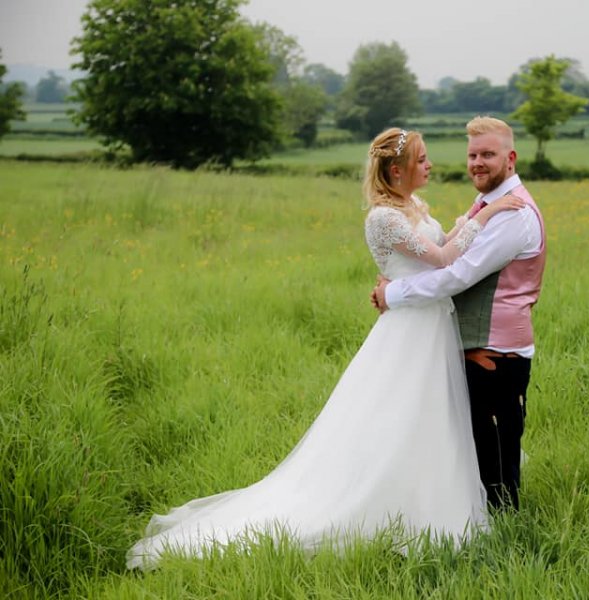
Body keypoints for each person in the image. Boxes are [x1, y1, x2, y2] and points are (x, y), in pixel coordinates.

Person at [126, 128, 523, 570]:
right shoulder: (383, 219)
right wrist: (489, 213)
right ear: (397, 171)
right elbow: (445, 258)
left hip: (431, 325)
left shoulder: (412, 207)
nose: (430, 165)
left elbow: (440, 244)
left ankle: (426, 495)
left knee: (432, 416)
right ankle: (385, 504)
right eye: (421, 160)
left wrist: (475, 213)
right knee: (401, 414)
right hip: (410, 329)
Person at [373, 116, 547, 511]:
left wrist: (393, 293)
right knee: (470, 449)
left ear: (511, 159)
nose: (477, 163)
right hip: (472, 345)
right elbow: (446, 253)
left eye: (488, 155)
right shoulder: (488, 205)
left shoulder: (513, 214)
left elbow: (457, 274)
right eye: (472, 155)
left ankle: (504, 534)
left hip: (496, 350)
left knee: (495, 465)